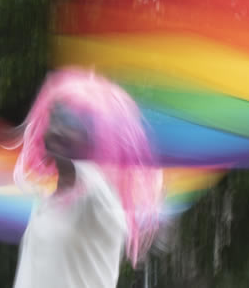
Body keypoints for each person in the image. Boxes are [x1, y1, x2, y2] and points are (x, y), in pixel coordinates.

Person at [11, 69, 163, 288]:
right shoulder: (48, 200)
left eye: (70, 123)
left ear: (95, 138)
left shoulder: (100, 201)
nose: (57, 129)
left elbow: (86, 173)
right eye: (54, 120)